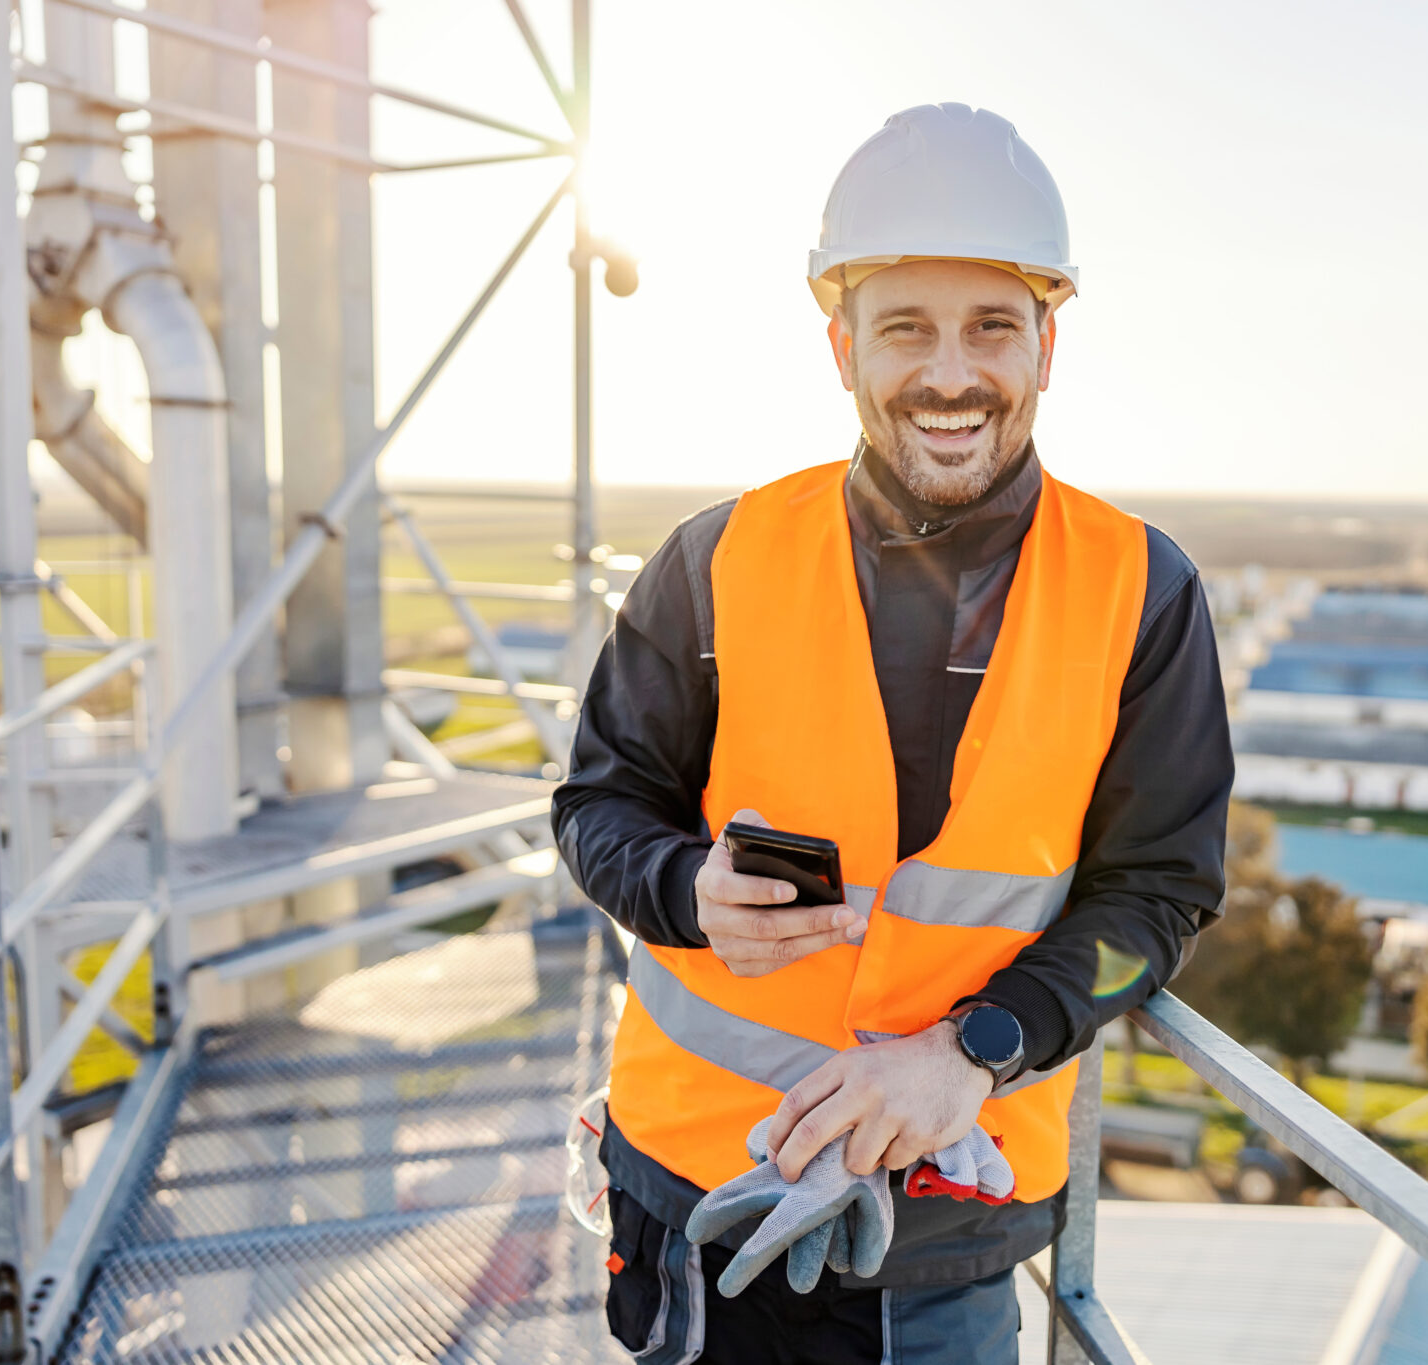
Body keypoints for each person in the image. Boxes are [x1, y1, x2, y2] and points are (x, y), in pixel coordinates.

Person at [552, 102, 1233, 1365]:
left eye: (990, 328)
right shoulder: (712, 563)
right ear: (842, 350)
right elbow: (595, 809)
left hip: (939, 1241)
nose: (949, 375)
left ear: (1045, 345)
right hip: (692, 1206)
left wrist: (973, 1054)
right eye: (904, 329)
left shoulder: (1143, 592)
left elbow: (1160, 899)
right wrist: (682, 890)